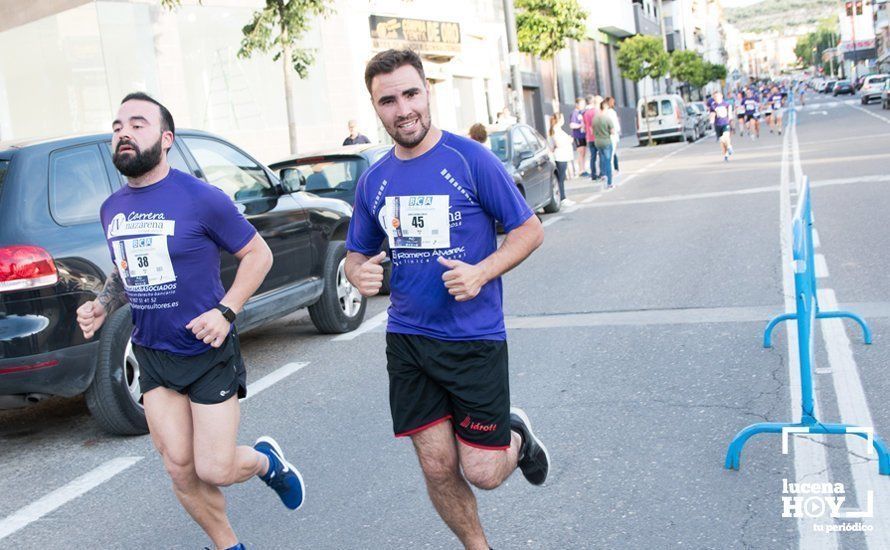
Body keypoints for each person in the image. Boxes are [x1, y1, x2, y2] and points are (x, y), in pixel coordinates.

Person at [76, 92, 305, 550]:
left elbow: (258, 254)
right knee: (179, 467)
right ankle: (229, 546)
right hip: (154, 353)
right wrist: (104, 302)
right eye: (118, 125)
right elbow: (128, 267)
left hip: (207, 351)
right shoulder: (112, 209)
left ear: (166, 139)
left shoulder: (202, 198)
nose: (123, 132)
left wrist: (227, 311)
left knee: (214, 467)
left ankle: (266, 463)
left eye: (137, 124)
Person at [345, 49, 550, 550]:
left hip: (473, 338)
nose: (403, 109)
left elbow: (529, 230)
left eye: (411, 93)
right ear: (376, 108)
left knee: (481, 469)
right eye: (388, 100)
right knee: (437, 466)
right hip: (409, 340)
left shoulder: (469, 158)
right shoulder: (374, 179)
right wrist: (359, 273)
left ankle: (516, 434)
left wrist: (481, 272)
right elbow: (356, 254)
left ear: (427, 92)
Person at [548, 112, 574, 204]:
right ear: (559, 120)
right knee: (561, 178)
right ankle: (562, 198)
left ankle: (562, 197)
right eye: (562, 118)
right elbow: (557, 143)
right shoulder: (556, 130)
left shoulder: (556, 129)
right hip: (560, 156)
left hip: (562, 155)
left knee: (561, 178)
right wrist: (568, 140)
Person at [593, 98, 616, 189]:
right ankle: (609, 182)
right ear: (605, 107)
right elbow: (613, 131)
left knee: (601, 159)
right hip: (606, 141)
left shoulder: (594, 119)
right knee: (608, 162)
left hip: (597, 142)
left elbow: (592, 130)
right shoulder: (607, 118)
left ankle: (603, 175)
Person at [709, 91, 733, 162]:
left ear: (721, 96)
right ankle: (726, 154)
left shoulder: (726, 104)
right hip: (718, 124)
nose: (716, 98)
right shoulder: (713, 106)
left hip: (725, 123)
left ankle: (729, 147)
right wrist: (711, 120)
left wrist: (730, 118)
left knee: (726, 136)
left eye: (718, 96)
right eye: (715, 97)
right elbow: (712, 114)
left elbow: (730, 113)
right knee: (722, 141)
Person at [583, 94, 602, 180]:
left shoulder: (586, 113)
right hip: (597, 137)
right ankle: (602, 173)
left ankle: (593, 174)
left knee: (593, 157)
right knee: (601, 155)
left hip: (589, 138)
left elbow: (585, 125)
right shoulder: (596, 112)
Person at [569, 97, 588, 176]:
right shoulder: (574, 113)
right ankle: (581, 170)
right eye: (581, 103)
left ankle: (583, 169)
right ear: (577, 104)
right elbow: (572, 125)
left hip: (583, 135)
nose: (583, 105)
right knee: (581, 153)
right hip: (578, 136)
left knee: (584, 153)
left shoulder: (582, 112)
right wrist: (581, 125)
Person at [606, 96, 621, 173]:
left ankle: (614, 168)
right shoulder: (611, 112)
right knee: (612, 152)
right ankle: (613, 168)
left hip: (610, 134)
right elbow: (616, 125)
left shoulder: (608, 112)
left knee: (612, 152)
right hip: (612, 134)